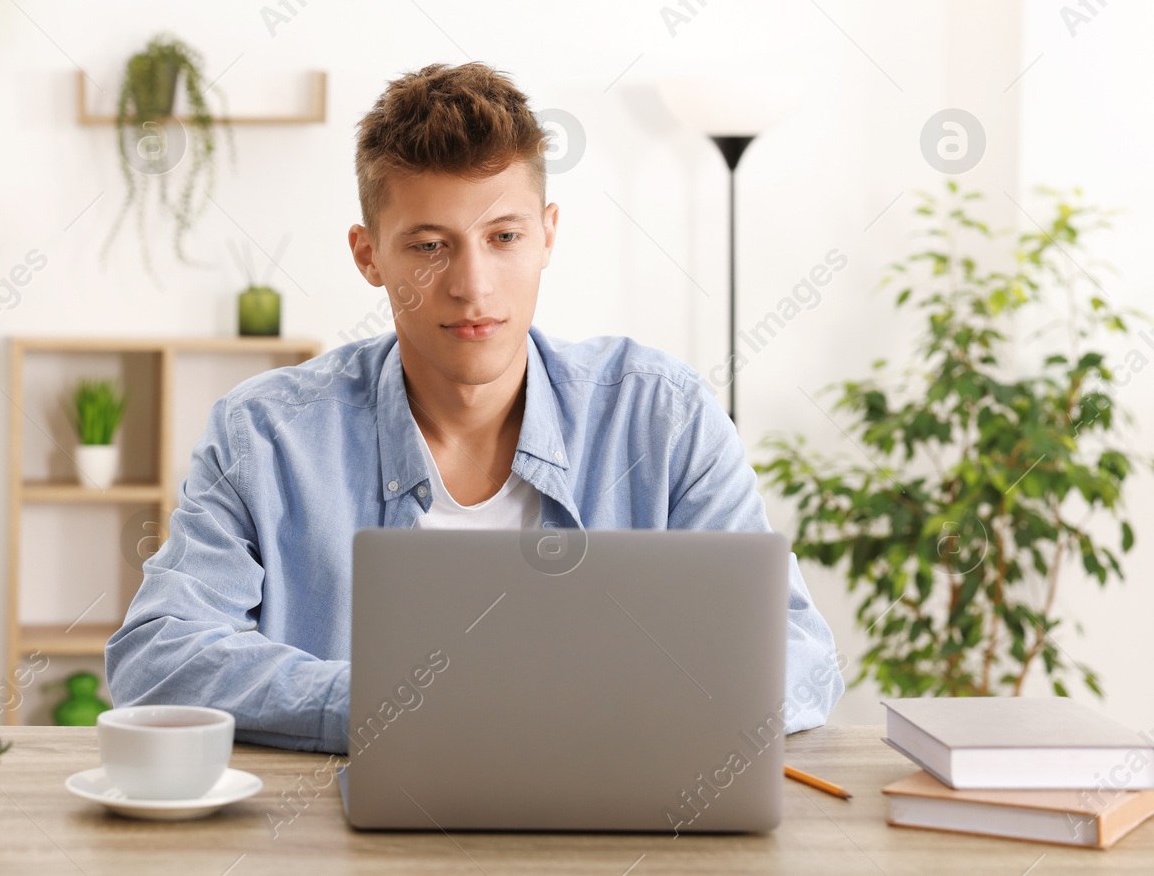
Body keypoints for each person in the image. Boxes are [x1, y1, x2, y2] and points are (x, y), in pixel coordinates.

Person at [105, 62, 844, 753]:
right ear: (369, 256)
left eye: (505, 237)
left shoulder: (663, 418)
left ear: (548, 234)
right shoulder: (265, 435)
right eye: (430, 245)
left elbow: (799, 655)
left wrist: (585, 703)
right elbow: (159, 654)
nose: (474, 285)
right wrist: (391, 702)